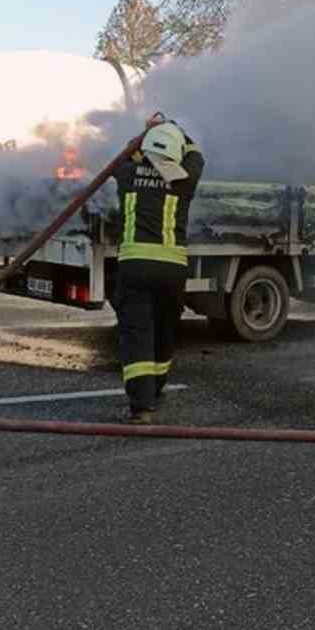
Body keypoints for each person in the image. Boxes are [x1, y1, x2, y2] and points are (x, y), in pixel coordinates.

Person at [113, 114, 204, 423]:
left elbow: (127, 152)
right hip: (171, 269)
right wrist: (176, 129)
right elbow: (196, 155)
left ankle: (142, 407)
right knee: (165, 330)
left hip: (135, 267)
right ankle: (157, 388)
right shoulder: (185, 180)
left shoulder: (127, 175)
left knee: (137, 334)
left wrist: (146, 133)